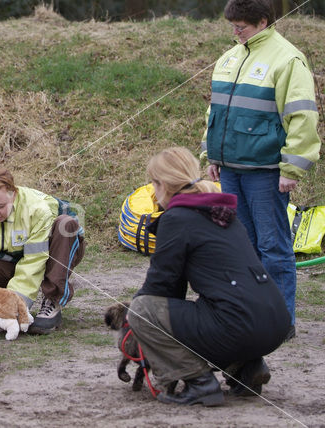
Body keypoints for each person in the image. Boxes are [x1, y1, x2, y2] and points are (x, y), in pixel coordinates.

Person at [128, 147, 290, 406]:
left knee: (140, 311)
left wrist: (136, 330)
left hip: (238, 324)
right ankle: (246, 367)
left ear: (161, 184)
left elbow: (159, 287)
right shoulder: (220, 211)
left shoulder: (176, 218)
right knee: (215, 311)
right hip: (276, 320)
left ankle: (200, 383)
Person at [201, 0, 321, 341]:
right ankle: (251, 314)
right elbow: (216, 113)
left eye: (243, 27)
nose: (236, 32)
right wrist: (211, 154)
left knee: (273, 247)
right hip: (230, 170)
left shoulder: (288, 59)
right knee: (243, 246)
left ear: (264, 21)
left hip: (267, 172)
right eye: (233, 26)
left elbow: (302, 117)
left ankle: (281, 320)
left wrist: (292, 168)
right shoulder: (229, 57)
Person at [0, 168, 85, 334]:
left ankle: (52, 301)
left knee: (66, 224)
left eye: (1, 206)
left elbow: (34, 262)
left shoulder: (37, 210)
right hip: (12, 258)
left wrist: (15, 306)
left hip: (53, 253)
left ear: (13, 195)